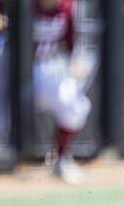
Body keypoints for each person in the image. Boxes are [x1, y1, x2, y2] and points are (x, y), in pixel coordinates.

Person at [33, 0, 93, 184]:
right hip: (11, 65)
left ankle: (61, 157)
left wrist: (76, 61)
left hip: (45, 67)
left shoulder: (66, 7)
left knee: (77, 106)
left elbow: (71, 43)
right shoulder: (26, 5)